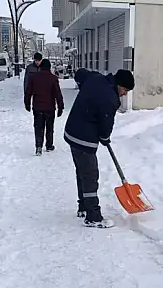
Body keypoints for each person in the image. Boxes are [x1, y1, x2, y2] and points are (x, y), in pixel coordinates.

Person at [64, 68, 135, 229]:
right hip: (84, 138)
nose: (124, 95)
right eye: (125, 90)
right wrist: (104, 138)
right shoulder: (109, 98)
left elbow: (80, 74)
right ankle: (93, 216)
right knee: (90, 175)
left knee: (82, 171)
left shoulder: (96, 78)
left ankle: (83, 206)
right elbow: (105, 126)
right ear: (119, 85)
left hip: (72, 132)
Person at [25, 59, 64, 155]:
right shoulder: (53, 78)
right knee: (49, 127)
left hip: (37, 107)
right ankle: (49, 145)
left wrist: (27, 103)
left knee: (38, 127)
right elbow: (57, 94)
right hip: (50, 108)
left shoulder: (33, 77)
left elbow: (28, 91)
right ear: (49, 67)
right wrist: (60, 107)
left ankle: (38, 146)